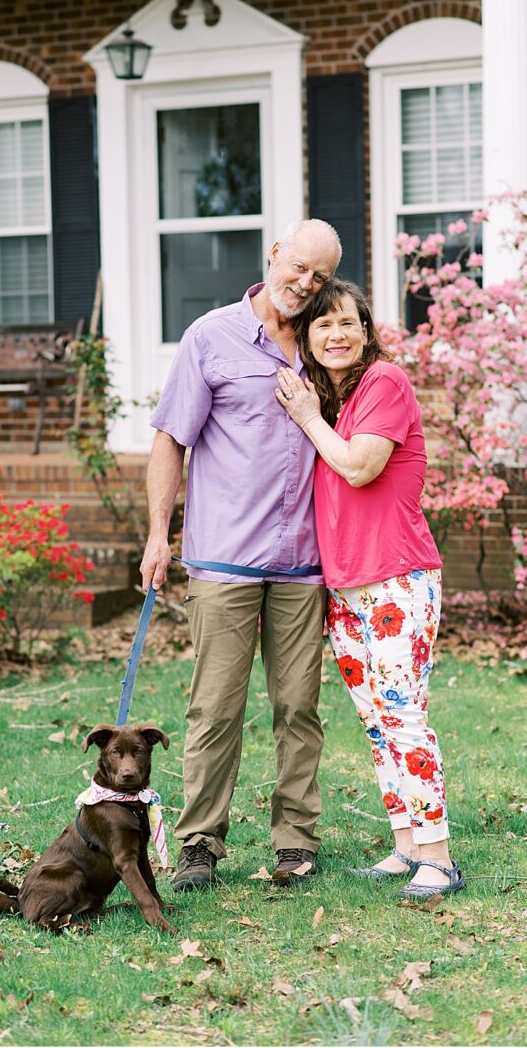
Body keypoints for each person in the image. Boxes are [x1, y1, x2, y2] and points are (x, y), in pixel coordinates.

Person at [140, 218, 343, 891]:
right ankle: (199, 844)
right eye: (299, 267)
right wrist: (156, 533)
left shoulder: (327, 341)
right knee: (215, 708)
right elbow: (171, 439)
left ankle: (296, 842)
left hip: (303, 562)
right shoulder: (212, 337)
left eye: (319, 276)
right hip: (224, 559)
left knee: (299, 708)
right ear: (274, 254)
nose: (305, 284)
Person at [275, 278, 465, 899]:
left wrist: (304, 416)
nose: (336, 335)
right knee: (377, 720)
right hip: (346, 584)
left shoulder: (385, 382)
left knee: (404, 715)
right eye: (323, 325)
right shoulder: (335, 401)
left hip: (397, 578)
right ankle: (406, 847)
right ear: (308, 336)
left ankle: (438, 857)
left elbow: (360, 466)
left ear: (366, 331)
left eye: (347, 324)